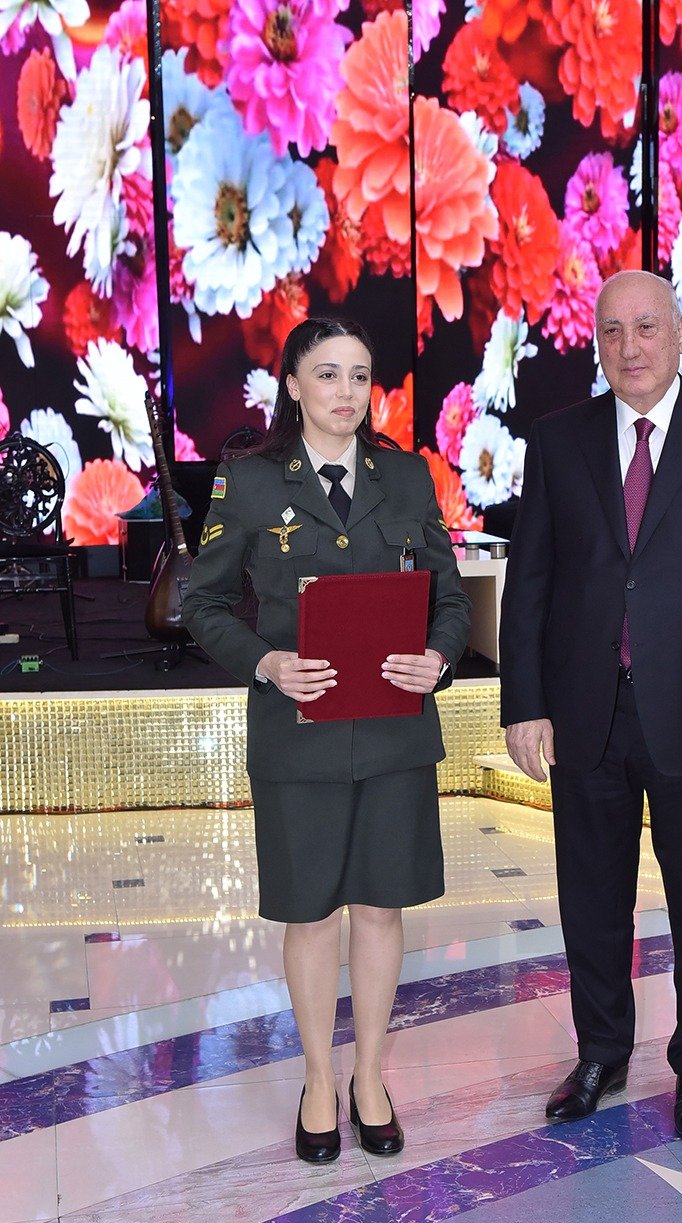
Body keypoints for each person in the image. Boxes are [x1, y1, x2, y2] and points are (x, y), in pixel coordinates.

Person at [499, 271, 682, 1138]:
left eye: (646, 328)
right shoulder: (558, 441)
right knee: (592, 899)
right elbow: (531, 584)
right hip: (583, 713)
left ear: (678, 333)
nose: (629, 347)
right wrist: (525, 703)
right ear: (596, 341)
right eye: (612, 331)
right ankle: (601, 1052)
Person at [183, 316, 471, 1163]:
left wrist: (439, 656)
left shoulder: (407, 476)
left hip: (392, 732)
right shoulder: (248, 481)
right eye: (328, 374)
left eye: (360, 375)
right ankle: (318, 1081)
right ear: (293, 385)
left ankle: (369, 1078)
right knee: (309, 914)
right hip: (297, 737)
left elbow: (450, 599)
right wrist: (266, 661)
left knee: (380, 908)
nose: (346, 392)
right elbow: (203, 604)